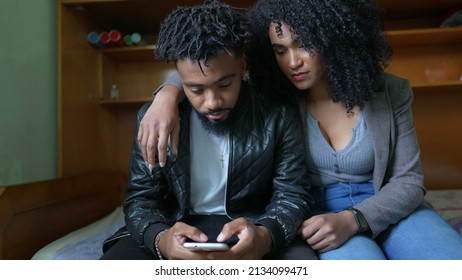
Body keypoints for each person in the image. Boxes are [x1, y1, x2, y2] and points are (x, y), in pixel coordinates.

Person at [137, 0, 462, 260]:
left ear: (333, 37)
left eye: (304, 44)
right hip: (317, 217)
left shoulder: (390, 91)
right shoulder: (271, 96)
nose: (293, 62)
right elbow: (210, 75)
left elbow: (409, 181)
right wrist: (166, 95)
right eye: (280, 50)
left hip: (391, 206)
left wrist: (355, 219)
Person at [100, 0, 316, 260]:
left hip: (254, 222)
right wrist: (161, 240)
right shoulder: (154, 119)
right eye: (196, 89)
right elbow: (141, 198)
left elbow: (292, 193)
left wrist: (265, 236)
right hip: (175, 224)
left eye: (225, 84)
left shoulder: (278, 113)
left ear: (241, 65)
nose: (212, 102)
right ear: (179, 75)